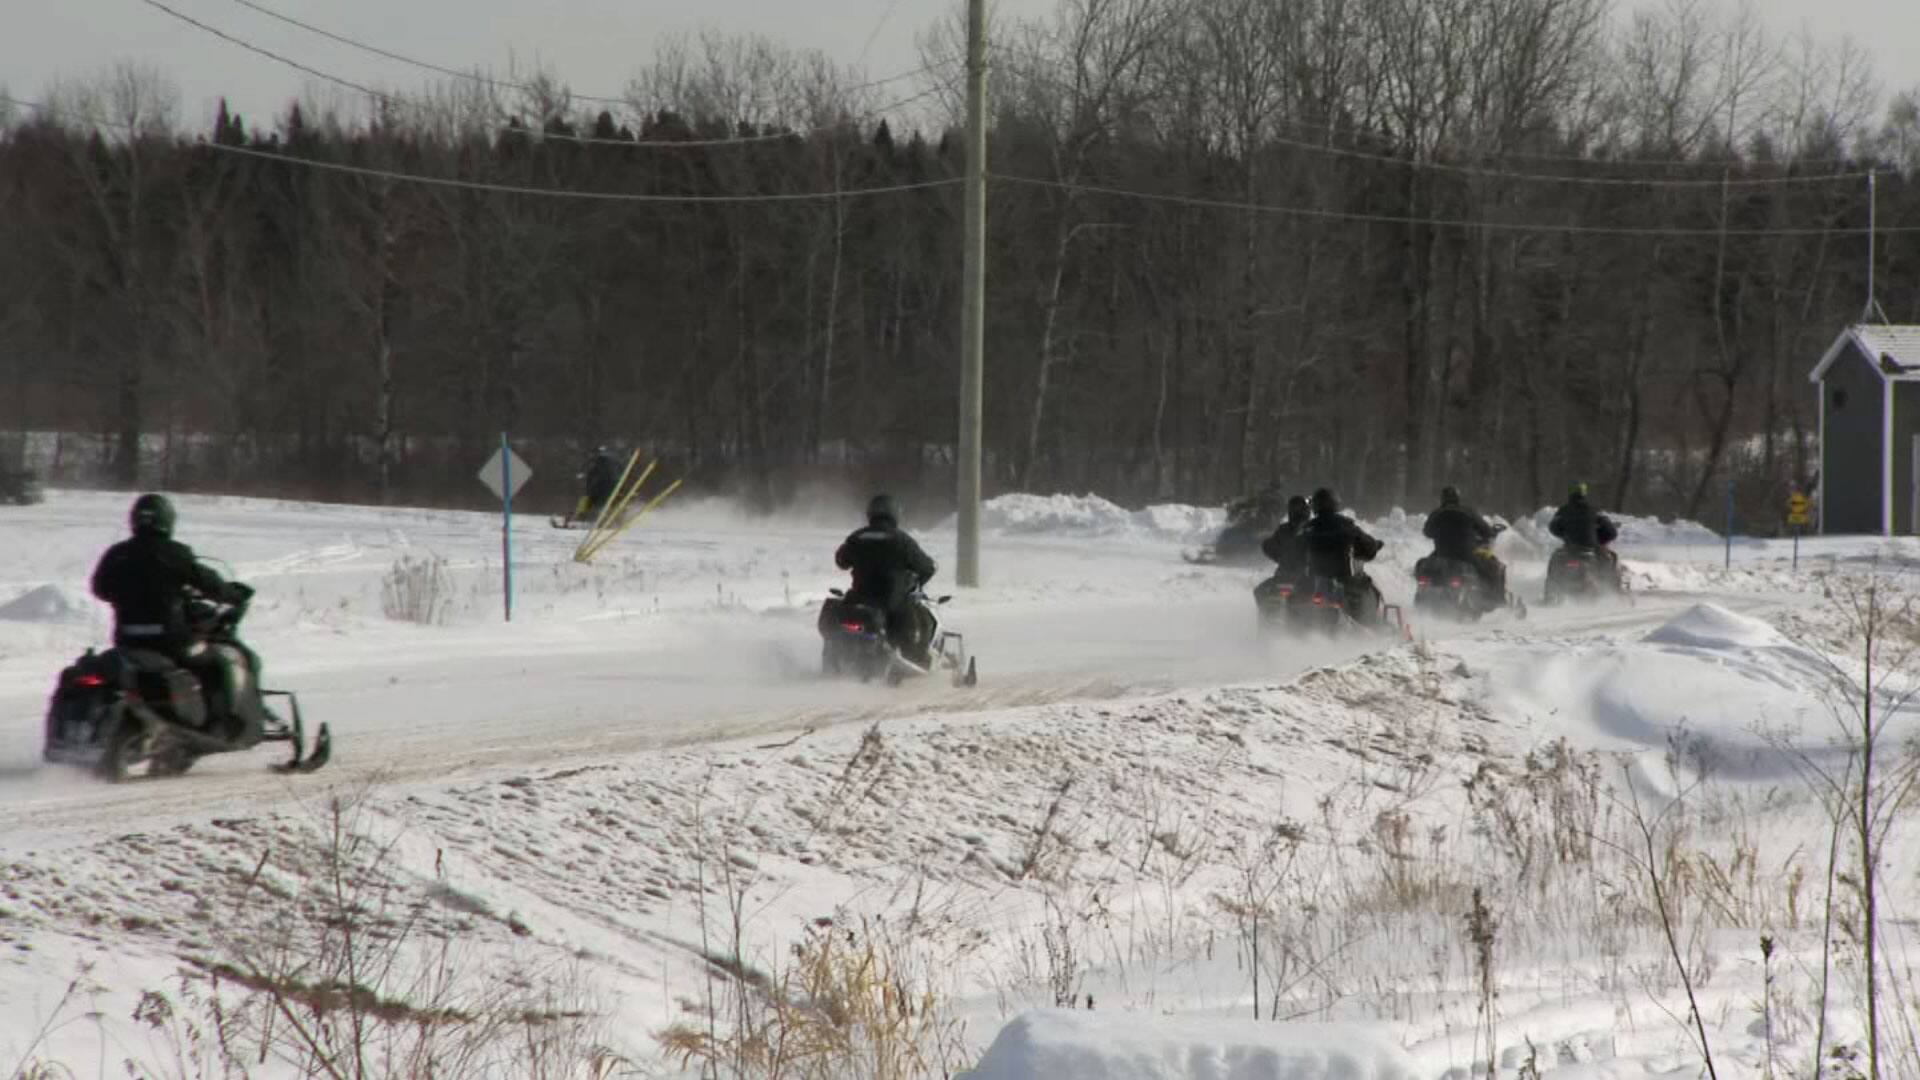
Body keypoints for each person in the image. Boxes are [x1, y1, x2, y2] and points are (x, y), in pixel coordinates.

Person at [90, 494, 262, 740]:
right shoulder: (175, 553)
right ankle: (220, 726)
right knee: (218, 664)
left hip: (128, 640)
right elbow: (208, 582)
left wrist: (129, 592)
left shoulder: (117, 554)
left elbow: (100, 589)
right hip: (172, 641)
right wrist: (233, 594)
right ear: (167, 521)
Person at [835, 494, 939, 666]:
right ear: (894, 514)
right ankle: (916, 656)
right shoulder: (902, 540)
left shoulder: (857, 538)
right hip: (890, 600)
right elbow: (927, 567)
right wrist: (918, 580)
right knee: (920, 619)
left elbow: (841, 561)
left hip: (860, 598)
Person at [1299, 487, 1385, 620]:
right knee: (1367, 588)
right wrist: (1375, 545)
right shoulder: (1346, 526)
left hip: (1313, 582)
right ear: (1334, 503)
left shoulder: (1307, 528)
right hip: (1344, 582)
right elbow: (1367, 546)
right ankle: (1372, 624)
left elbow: (1293, 550)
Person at [1423, 486, 1506, 592]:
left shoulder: (1436, 513)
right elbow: (1485, 530)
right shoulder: (1468, 512)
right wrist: (1490, 533)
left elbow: (1427, 532)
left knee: (1427, 568)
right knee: (1492, 568)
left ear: (1442, 499)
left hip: (1441, 553)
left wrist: (1440, 532)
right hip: (1466, 553)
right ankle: (1495, 601)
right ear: (1457, 498)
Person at [1254, 495, 1312, 605]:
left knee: (1260, 592)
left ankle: (1266, 619)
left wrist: (1280, 557)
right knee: (1260, 592)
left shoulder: (1284, 529)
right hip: (1305, 578)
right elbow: (1268, 546)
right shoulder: (1312, 528)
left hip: (1285, 577)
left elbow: (1268, 546)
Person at [1549, 483, 1619, 565]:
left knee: (1555, 558)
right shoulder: (1594, 511)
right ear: (1584, 493)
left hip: (1570, 548)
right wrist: (1600, 539)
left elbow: (1553, 527)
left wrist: (1565, 534)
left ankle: (1551, 577)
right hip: (1591, 548)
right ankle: (1611, 577)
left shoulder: (1563, 511)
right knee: (1610, 559)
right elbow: (1611, 532)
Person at [575, 446, 618, 522]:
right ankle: (582, 517)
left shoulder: (604, 465)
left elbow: (596, 475)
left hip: (605, 489)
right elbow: (591, 475)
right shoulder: (600, 465)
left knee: (589, 501)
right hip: (602, 489)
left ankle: (583, 517)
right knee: (586, 501)